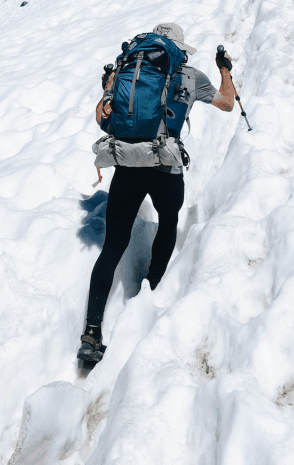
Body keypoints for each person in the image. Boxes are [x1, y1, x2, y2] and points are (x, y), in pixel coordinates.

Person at [77, 23, 236, 364]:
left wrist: (108, 88)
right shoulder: (190, 76)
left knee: (113, 247)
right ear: (178, 50)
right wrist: (225, 69)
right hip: (166, 168)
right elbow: (226, 104)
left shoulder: (125, 74)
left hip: (127, 168)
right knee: (167, 222)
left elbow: (101, 119)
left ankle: (91, 332)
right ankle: (148, 292)